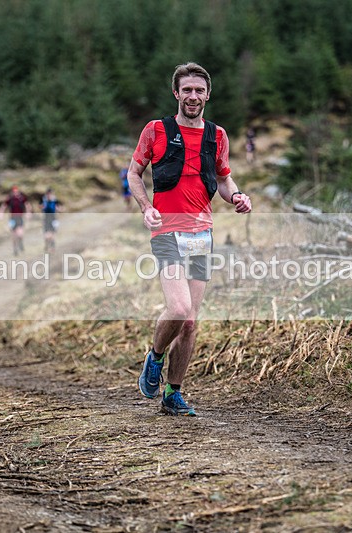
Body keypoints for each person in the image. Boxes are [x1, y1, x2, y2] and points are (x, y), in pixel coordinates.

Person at [127, 62, 252, 416]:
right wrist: (145, 206)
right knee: (179, 309)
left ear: (207, 95)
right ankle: (154, 357)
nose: (192, 96)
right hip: (166, 229)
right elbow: (134, 173)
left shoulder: (218, 135)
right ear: (176, 93)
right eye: (187, 90)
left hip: (201, 233)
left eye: (199, 90)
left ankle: (173, 392)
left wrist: (238, 196)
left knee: (191, 321)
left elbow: (224, 178)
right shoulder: (155, 130)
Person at [0, 185, 32, 256]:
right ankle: (15, 249)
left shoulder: (22, 198)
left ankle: (20, 242)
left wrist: (28, 213)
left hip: (20, 217)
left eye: (16, 191)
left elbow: (27, 205)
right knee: (13, 235)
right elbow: (3, 206)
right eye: (14, 192)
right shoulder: (10, 199)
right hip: (12, 218)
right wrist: (0, 213)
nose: (15, 193)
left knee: (20, 234)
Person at [41, 188, 61, 253]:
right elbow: (41, 208)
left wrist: (58, 210)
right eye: (48, 194)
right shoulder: (44, 201)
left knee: (52, 235)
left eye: (51, 194)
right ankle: (47, 245)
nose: (49, 195)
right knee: (46, 236)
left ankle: (52, 247)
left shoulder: (55, 201)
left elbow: (59, 208)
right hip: (46, 219)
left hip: (53, 219)